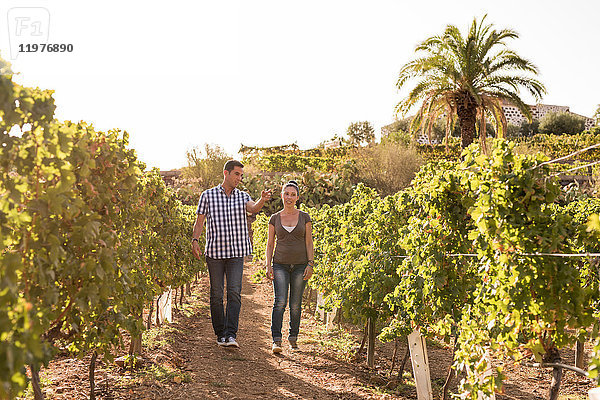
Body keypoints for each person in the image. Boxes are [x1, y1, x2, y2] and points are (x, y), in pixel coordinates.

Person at [192, 160, 271, 348]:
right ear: (226, 173)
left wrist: (262, 200)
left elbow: (253, 208)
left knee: (234, 293)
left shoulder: (243, 196)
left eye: (241, 175)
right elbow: (200, 221)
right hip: (215, 253)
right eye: (237, 174)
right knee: (216, 294)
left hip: (236, 253)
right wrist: (195, 240)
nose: (239, 178)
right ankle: (220, 334)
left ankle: (231, 334)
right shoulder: (207, 195)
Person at [265, 180, 314, 353]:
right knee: (280, 302)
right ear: (282, 196)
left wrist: (310, 263)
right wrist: (268, 264)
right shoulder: (274, 218)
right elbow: (270, 244)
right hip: (280, 265)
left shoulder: (304, 217)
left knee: (295, 304)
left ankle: (293, 338)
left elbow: (309, 242)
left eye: (293, 194)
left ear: (298, 197)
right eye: (287, 194)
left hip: (301, 265)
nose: (289, 197)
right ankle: (276, 341)